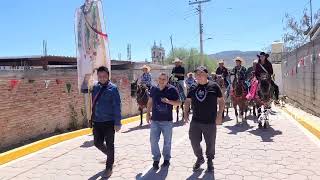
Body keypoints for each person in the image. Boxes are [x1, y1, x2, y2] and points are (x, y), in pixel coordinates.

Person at [184, 66, 225, 172]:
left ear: (206, 75)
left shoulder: (214, 86)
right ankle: (199, 158)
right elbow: (188, 100)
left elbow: (221, 101)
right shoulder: (193, 86)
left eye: (202, 73)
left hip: (210, 121)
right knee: (194, 141)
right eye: (197, 74)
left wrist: (219, 115)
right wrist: (185, 112)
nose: (199, 75)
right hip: (196, 121)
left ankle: (210, 160)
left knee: (210, 143)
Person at [146, 73, 181, 170]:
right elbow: (150, 101)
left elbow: (178, 103)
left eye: (164, 79)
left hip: (167, 121)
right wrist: (148, 113)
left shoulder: (172, 90)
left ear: (167, 80)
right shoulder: (153, 89)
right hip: (155, 121)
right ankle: (156, 159)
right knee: (153, 141)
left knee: (167, 142)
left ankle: (166, 159)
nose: (161, 81)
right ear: (158, 79)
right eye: (160, 79)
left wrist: (168, 101)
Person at [91, 66, 122, 178]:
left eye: (104, 76)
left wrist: (118, 122)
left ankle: (109, 167)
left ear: (108, 76)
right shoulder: (95, 87)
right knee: (97, 143)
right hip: (97, 121)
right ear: (97, 77)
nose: (102, 78)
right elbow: (92, 101)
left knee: (110, 145)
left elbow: (117, 106)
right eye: (100, 76)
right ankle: (110, 155)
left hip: (109, 121)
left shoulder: (113, 89)